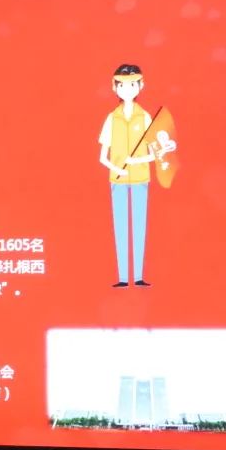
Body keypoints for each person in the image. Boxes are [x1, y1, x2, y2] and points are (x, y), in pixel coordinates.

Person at [98, 63, 158, 288]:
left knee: (139, 225)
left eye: (133, 84)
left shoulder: (145, 118)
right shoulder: (111, 119)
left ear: (141, 86)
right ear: (114, 88)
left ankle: (139, 276)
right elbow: (102, 156)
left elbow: (154, 152)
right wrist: (117, 169)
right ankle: (123, 277)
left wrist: (137, 161)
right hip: (118, 180)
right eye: (122, 85)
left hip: (141, 177)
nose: (127, 89)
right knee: (121, 226)